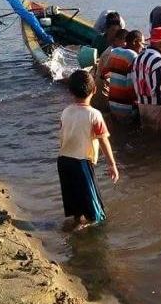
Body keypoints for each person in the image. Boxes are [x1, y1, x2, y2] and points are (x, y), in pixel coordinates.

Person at [57, 70, 118, 231]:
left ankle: (77, 221)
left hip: (63, 160)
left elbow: (62, 134)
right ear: (95, 90)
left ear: (70, 91)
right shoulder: (94, 114)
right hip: (81, 162)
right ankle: (86, 230)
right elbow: (103, 140)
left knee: (74, 199)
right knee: (96, 214)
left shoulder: (65, 112)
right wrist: (112, 164)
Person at [134, 27, 161, 134]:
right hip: (156, 110)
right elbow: (160, 93)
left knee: (147, 135)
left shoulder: (138, 58)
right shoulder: (159, 62)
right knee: (159, 139)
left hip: (142, 106)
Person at [106, 30, 143, 122]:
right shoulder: (133, 57)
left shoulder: (115, 51)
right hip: (125, 108)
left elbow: (105, 74)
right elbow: (129, 87)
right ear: (135, 42)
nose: (143, 47)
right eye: (142, 43)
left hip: (112, 104)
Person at [92, 28, 127, 111]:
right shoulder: (111, 53)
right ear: (117, 40)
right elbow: (107, 77)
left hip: (104, 88)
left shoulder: (114, 51)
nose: (126, 45)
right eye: (125, 42)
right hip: (103, 92)